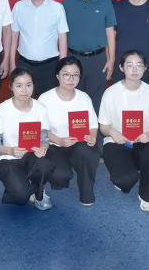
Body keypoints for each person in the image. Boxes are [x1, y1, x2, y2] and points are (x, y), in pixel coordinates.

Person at [99, 50, 149, 211]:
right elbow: (104, 127)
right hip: (116, 142)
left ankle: (146, 192)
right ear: (121, 68)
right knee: (126, 181)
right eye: (130, 65)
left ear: (145, 68)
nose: (135, 70)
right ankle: (128, 172)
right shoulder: (110, 93)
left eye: (139, 65)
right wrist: (113, 132)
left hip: (141, 142)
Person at [0, 67, 55, 210]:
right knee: (20, 196)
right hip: (9, 158)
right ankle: (24, 186)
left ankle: (39, 193)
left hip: (32, 155)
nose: (24, 90)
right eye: (19, 86)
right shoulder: (2, 109)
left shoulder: (41, 108)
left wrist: (43, 149)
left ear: (33, 86)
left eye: (28, 85)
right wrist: (11, 150)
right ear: (11, 87)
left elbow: (44, 139)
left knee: (44, 165)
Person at [38, 57, 100, 206]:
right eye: (66, 74)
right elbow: (40, 130)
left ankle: (87, 194)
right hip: (54, 145)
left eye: (75, 75)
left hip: (78, 144)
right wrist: (59, 140)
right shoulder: (45, 98)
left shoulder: (84, 98)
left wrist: (92, 136)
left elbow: (93, 124)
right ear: (57, 76)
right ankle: (58, 178)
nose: (71, 79)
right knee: (61, 176)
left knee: (88, 151)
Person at [61, 0, 116, 111]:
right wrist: (63, 60)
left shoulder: (105, 2)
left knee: (96, 101)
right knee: (72, 99)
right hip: (73, 58)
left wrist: (111, 60)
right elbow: (61, 33)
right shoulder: (67, 1)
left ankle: (94, 127)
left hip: (98, 60)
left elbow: (110, 34)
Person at [10, 0, 69, 97]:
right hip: (24, 65)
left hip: (49, 67)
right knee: (22, 103)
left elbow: (63, 38)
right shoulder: (19, 7)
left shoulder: (57, 8)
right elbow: (14, 36)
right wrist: (12, 63)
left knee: (49, 105)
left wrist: (63, 67)